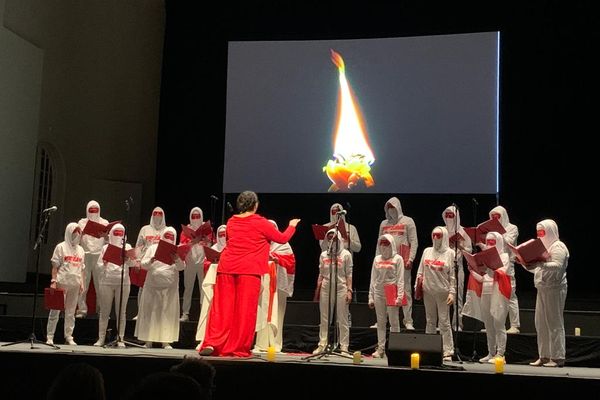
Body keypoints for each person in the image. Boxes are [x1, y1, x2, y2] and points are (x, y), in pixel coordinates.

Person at [198, 191, 300, 357]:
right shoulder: (260, 222)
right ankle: (236, 347)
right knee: (244, 310)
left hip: (227, 267)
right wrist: (292, 226)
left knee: (222, 309)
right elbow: (281, 239)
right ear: (255, 205)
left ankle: (213, 343)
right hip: (248, 270)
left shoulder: (232, 221)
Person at [523, 219, 569, 368]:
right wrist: (525, 263)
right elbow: (538, 269)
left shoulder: (558, 246)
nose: (540, 236)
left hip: (555, 288)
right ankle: (544, 356)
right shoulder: (541, 248)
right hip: (542, 288)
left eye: (542, 232)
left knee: (554, 322)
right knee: (540, 322)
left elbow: (557, 266)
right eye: (538, 233)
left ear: (550, 231)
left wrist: (539, 264)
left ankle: (557, 357)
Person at [135, 227, 184, 349]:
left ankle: (165, 341)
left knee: (167, 314)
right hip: (152, 286)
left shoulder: (177, 251)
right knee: (150, 313)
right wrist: (151, 260)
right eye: (166, 236)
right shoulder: (152, 248)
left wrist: (177, 259)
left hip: (169, 288)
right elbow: (143, 265)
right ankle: (148, 341)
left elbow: (181, 267)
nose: (169, 239)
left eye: (171, 237)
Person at [467, 232, 511, 363]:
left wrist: (488, 264)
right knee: (488, 324)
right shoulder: (484, 257)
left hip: (499, 292)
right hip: (486, 291)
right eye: (488, 241)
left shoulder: (504, 256)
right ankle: (491, 352)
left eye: (492, 241)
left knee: (498, 323)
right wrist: (472, 270)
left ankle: (500, 354)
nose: (489, 244)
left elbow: (501, 271)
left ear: (498, 241)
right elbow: (483, 278)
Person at [254, 220, 296, 353]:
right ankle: (261, 344)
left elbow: (290, 262)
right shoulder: (260, 244)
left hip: (278, 285)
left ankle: (275, 344)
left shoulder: (283, 245)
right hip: (263, 285)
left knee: (277, 313)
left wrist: (277, 259)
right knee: (262, 312)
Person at [376, 196, 418, 330]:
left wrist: (411, 259)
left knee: (404, 290)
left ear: (398, 207)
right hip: (385, 262)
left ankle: (408, 320)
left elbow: (414, 241)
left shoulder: (408, 221)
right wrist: (377, 260)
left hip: (402, 262)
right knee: (385, 290)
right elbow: (379, 243)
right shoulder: (384, 224)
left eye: (393, 207)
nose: (391, 210)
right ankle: (384, 320)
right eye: (389, 208)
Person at [415, 226, 456, 361]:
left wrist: (452, 292)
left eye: (438, 235)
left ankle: (447, 350)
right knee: (430, 321)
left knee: (444, 322)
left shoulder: (450, 253)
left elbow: (453, 276)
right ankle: (429, 348)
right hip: (428, 291)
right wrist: (417, 287)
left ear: (444, 236)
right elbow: (420, 271)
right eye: (434, 235)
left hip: (443, 292)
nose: (435, 238)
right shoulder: (427, 251)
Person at [94, 223, 136, 347]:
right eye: (116, 233)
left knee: (121, 312)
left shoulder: (127, 246)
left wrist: (128, 260)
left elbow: (134, 263)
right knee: (104, 312)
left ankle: (120, 338)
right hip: (107, 282)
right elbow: (98, 266)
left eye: (120, 233)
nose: (118, 235)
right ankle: (101, 338)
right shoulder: (105, 248)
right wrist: (104, 263)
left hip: (123, 282)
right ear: (111, 234)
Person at [313, 228, 353, 354]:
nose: (331, 240)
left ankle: (344, 345)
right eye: (329, 238)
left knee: (342, 317)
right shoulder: (323, 255)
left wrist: (349, 290)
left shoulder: (346, 254)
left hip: (341, 287)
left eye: (333, 238)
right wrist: (317, 290)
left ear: (339, 239)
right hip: (326, 286)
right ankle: (322, 344)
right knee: (324, 317)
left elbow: (349, 274)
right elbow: (321, 273)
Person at [46, 223, 85, 346]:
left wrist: (82, 283)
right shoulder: (61, 247)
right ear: (69, 233)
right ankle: (50, 336)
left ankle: (68, 336)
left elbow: (82, 269)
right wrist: (53, 281)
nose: (77, 235)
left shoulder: (81, 250)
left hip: (75, 284)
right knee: (55, 311)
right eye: (74, 233)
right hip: (62, 283)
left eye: (78, 233)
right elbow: (55, 266)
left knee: (71, 312)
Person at [368, 234, 404, 358]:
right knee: (381, 322)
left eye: (386, 243)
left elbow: (400, 279)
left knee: (394, 322)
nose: (383, 246)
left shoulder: (398, 259)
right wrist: (370, 297)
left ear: (392, 244)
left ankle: (395, 348)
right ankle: (381, 349)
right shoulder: (377, 259)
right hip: (378, 291)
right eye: (381, 243)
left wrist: (399, 296)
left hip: (391, 290)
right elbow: (373, 278)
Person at [489, 205, 521, 334]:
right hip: (492, 263)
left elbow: (507, 242)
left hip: (507, 262)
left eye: (498, 216)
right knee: (492, 294)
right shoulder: (490, 229)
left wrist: (495, 232)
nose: (495, 219)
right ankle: (493, 323)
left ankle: (515, 325)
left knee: (510, 293)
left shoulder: (512, 228)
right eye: (493, 217)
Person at [195, 224, 226, 348]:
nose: (222, 237)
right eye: (220, 235)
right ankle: (205, 339)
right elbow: (206, 263)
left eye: (224, 235)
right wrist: (213, 262)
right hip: (213, 283)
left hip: (226, 284)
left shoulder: (231, 248)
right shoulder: (214, 247)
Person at [442, 205, 472, 331]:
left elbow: (469, 251)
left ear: (456, 216)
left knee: (458, 297)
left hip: (458, 267)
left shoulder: (463, 231)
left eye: (451, 215)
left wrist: (459, 246)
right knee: (443, 296)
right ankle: (444, 324)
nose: (449, 217)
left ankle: (457, 323)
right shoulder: (441, 230)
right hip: (443, 268)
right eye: (447, 215)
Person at [133, 206, 167, 319]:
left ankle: (156, 313)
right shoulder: (145, 229)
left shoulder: (166, 231)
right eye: (155, 213)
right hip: (145, 262)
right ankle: (140, 312)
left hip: (160, 264)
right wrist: (137, 261)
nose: (157, 216)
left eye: (160, 214)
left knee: (158, 288)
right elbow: (138, 245)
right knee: (142, 288)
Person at [76, 200, 108, 318]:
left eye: (96, 210)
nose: (94, 212)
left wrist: (106, 236)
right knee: (83, 284)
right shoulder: (82, 222)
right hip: (86, 255)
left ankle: (101, 310)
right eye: (91, 210)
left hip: (99, 256)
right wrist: (81, 234)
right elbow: (76, 240)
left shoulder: (104, 222)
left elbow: (110, 241)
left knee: (100, 285)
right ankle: (82, 309)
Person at [179, 207, 210, 322]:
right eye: (193, 216)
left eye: (198, 216)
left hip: (203, 261)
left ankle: (204, 312)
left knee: (204, 288)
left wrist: (206, 240)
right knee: (188, 288)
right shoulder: (186, 230)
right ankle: (185, 313)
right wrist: (192, 242)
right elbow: (181, 246)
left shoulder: (206, 229)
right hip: (190, 261)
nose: (195, 218)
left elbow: (212, 244)